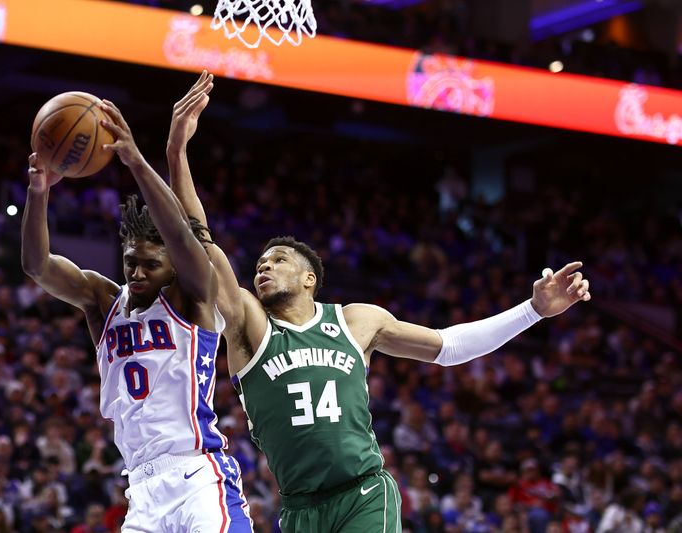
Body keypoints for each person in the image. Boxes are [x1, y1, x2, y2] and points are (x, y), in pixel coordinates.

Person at [167, 70, 593, 532]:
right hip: (298, 508)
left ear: (310, 278)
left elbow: (450, 348)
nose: (263, 267)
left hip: (363, 493)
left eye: (279, 260)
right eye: (261, 263)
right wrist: (176, 154)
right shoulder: (250, 325)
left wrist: (532, 310)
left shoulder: (357, 321)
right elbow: (200, 244)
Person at [21, 92, 251, 531]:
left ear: (171, 266)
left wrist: (136, 162)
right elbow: (37, 265)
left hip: (198, 476)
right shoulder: (103, 301)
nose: (138, 272)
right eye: (131, 262)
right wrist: (38, 192)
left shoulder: (193, 297)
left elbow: (185, 237)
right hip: (141, 492)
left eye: (151, 264)